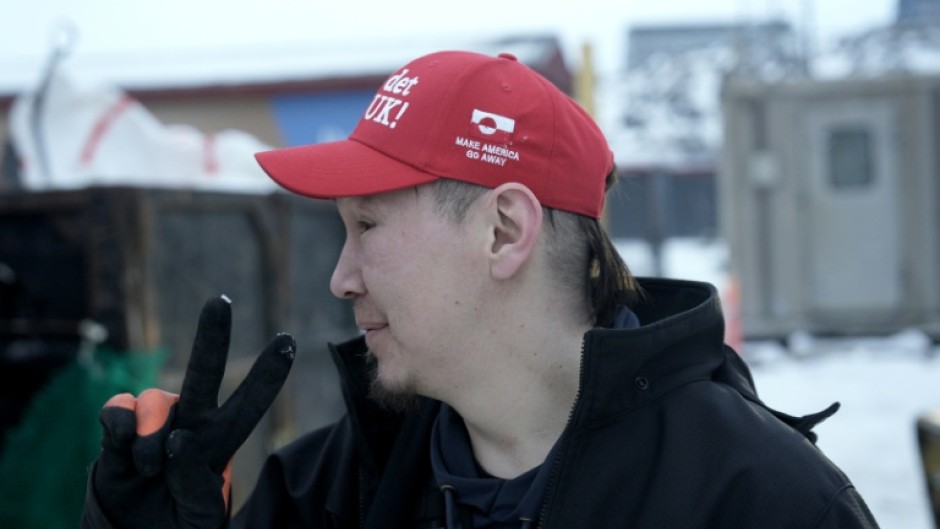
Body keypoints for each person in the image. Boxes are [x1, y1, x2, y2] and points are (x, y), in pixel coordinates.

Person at [82, 50, 880, 529]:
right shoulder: (337, 491)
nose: (340, 277)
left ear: (503, 231)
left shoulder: (759, 501)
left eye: (369, 226)